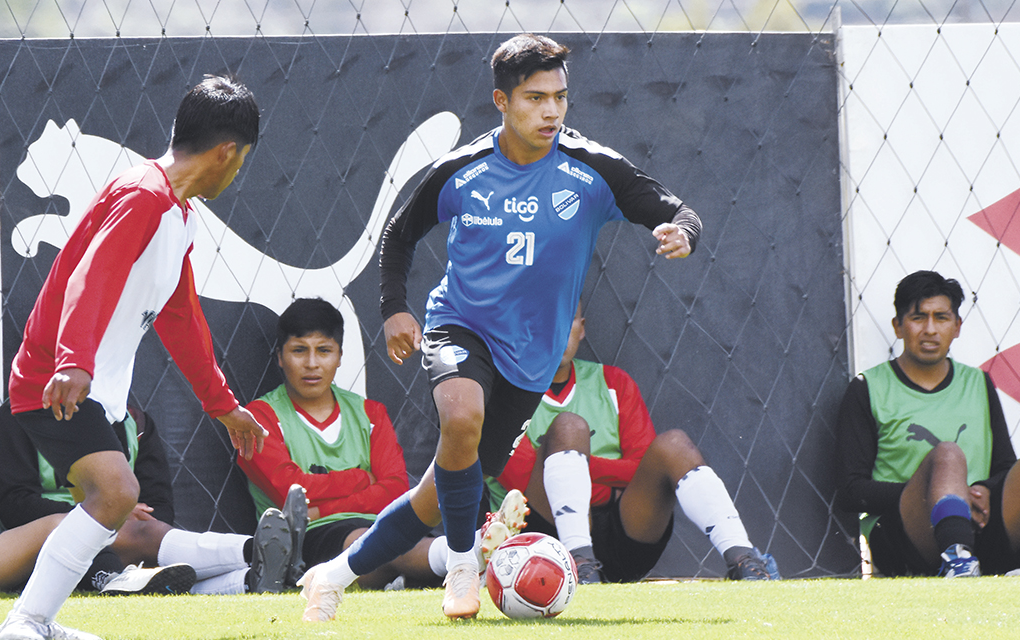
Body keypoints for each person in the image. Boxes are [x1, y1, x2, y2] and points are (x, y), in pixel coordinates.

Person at [298, 33, 701, 622]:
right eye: (535, 98)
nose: (551, 111)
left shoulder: (592, 168)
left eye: (560, 97)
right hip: (459, 327)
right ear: (501, 101)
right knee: (460, 415)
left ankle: (330, 577)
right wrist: (394, 309)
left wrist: (684, 232)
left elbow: (673, 207)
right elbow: (399, 235)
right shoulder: (460, 170)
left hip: (530, 362)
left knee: (433, 501)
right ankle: (463, 567)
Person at [0, 75, 271, 640]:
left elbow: (181, 318)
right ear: (228, 152)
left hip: (90, 387)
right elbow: (89, 276)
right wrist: (73, 359)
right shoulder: (143, 194)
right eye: (241, 160)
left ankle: (39, 622)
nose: (237, 171)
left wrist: (223, 405)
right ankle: (23, 622)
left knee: (113, 502)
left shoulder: (178, 214)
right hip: (55, 378)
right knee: (118, 492)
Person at [238, 298, 525, 590]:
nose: (312, 363)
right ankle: (476, 549)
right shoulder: (257, 418)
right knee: (385, 546)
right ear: (279, 357)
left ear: (339, 356)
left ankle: (474, 558)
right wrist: (362, 478)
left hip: (381, 527)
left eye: (323, 350)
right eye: (299, 351)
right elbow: (291, 492)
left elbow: (395, 489)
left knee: (396, 543)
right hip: (306, 539)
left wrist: (323, 506)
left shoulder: (370, 413)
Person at [487, 308, 779, 583]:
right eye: (544, 320)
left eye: (567, 319)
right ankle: (580, 563)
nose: (557, 331)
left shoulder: (614, 382)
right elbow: (521, 482)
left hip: (623, 536)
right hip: (542, 543)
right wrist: (610, 484)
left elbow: (642, 467)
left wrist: (572, 465)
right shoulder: (503, 392)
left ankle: (746, 561)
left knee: (674, 444)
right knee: (569, 426)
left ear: (582, 328)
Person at [835, 270, 1020, 578]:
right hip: (910, 538)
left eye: (941, 318)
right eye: (918, 318)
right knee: (947, 454)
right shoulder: (868, 388)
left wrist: (983, 489)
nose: (930, 329)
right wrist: (941, 495)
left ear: (956, 326)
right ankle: (957, 561)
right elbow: (851, 490)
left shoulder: (977, 382)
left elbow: (1004, 465)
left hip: (982, 529)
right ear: (898, 327)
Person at [0, 401, 301, 596]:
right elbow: (14, 505)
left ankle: (249, 579)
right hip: (44, 544)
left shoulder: (135, 420)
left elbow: (160, 505)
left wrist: (120, 518)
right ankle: (259, 551)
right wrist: (106, 514)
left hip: (129, 543)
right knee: (137, 532)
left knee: (153, 546)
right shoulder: (15, 417)